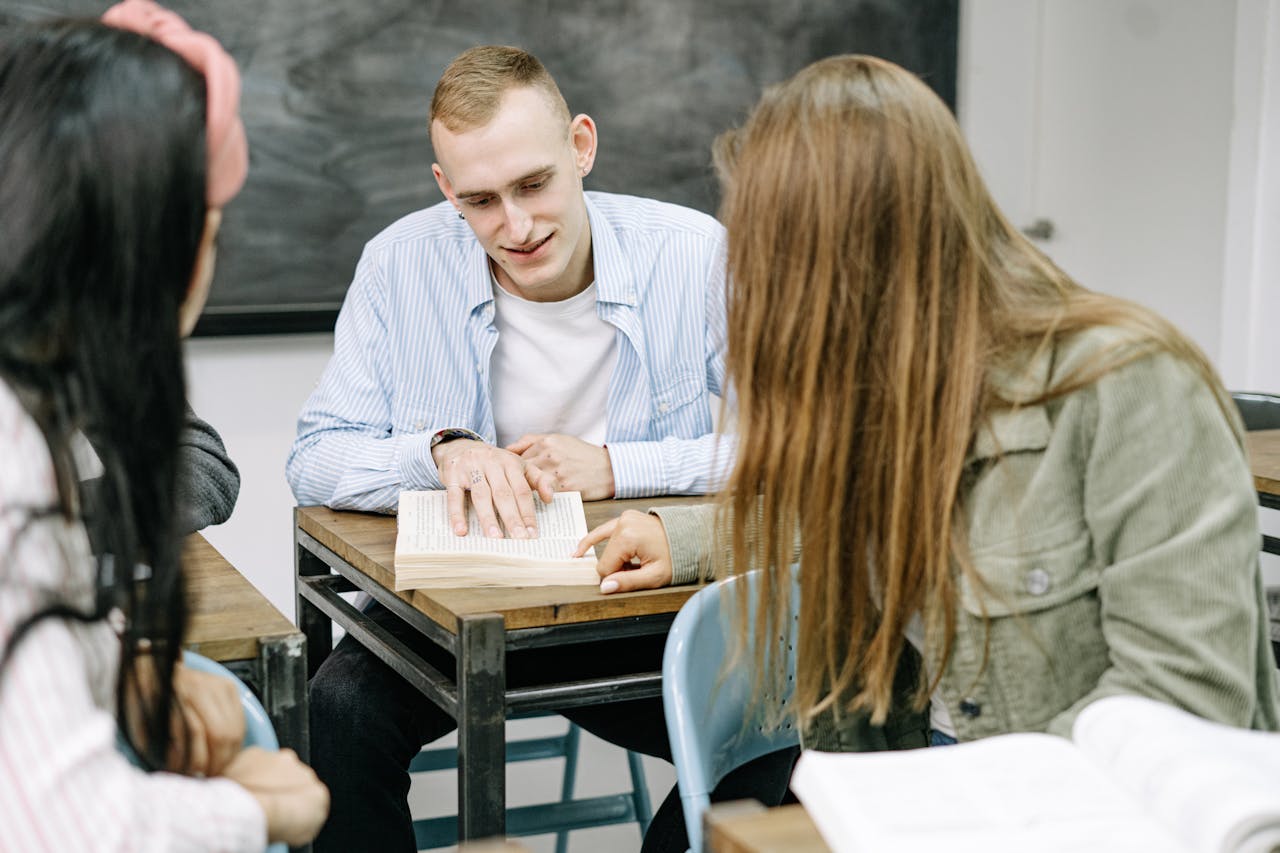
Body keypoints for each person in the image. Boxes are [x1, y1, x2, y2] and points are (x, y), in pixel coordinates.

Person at [582, 54, 1280, 754]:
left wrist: (944, 800)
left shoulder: (1135, 387)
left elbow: (1186, 704)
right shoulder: (888, 386)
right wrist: (689, 539)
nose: (755, 291)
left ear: (865, 258)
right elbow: (844, 517)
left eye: (774, 258)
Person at [287, 45, 792, 853]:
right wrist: (444, 449)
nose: (515, 227)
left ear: (581, 147)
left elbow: (795, 441)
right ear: (444, 186)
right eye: (481, 201)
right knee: (333, 719)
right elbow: (314, 457)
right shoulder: (397, 263)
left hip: (634, 610)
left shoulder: (694, 253)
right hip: (453, 613)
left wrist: (621, 468)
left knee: (775, 735)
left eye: (534, 185)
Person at [0, 3, 328, 850]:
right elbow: (66, 826)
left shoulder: (45, 383)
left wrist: (122, 670)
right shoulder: (17, 457)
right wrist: (262, 809)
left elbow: (201, 463)